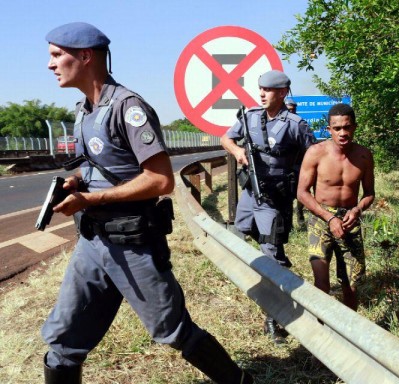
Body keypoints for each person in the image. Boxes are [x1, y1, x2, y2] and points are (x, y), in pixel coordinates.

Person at [42, 22, 252, 384]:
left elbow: (161, 180)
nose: (51, 64)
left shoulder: (127, 107)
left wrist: (90, 198)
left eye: (57, 55)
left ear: (86, 56)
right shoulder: (83, 111)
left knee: (173, 330)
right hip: (93, 243)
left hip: (133, 243)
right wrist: (75, 183)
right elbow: (95, 166)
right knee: (63, 341)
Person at [221, 71, 314, 344]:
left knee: (271, 255)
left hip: (275, 197)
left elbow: (313, 157)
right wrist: (238, 152)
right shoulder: (250, 117)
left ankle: (275, 318)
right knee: (242, 230)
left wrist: (300, 187)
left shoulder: (296, 125)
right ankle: (277, 259)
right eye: (260, 89)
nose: (262, 94)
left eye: (269, 90)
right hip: (251, 194)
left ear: (283, 93)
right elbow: (226, 138)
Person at [297, 103, 375, 310]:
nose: (342, 133)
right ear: (329, 129)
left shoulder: (364, 156)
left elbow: (369, 194)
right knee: (321, 282)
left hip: (350, 219)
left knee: (352, 283)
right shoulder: (316, 153)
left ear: (354, 127)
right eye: (337, 128)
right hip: (320, 218)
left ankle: (349, 330)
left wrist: (357, 210)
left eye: (346, 127)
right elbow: (302, 193)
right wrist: (329, 218)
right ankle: (321, 327)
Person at [285, 97, 306, 228]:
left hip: (299, 164)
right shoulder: (278, 123)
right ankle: (289, 222)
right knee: (286, 195)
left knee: (301, 192)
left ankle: (299, 213)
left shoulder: (300, 124)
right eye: (288, 110)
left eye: (292, 110)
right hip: (284, 166)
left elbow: (309, 144)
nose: (290, 113)